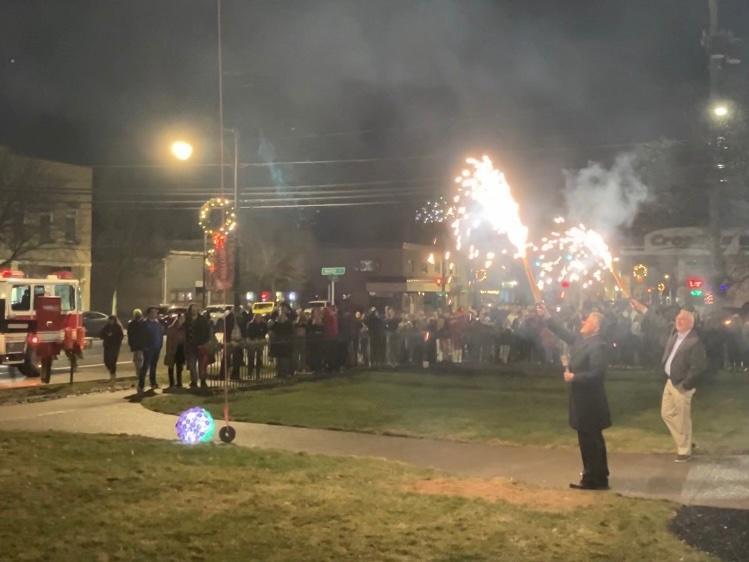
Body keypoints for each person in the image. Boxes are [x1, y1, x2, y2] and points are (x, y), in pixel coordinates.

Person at [539, 303, 611, 490]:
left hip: (590, 403)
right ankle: (596, 475)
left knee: (591, 441)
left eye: (588, 321)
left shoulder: (598, 346)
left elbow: (597, 374)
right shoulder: (583, 341)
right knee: (589, 439)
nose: (584, 321)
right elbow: (564, 332)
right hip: (582, 401)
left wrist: (574, 377)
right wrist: (547, 316)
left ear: (596, 327)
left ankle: (594, 478)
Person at [633, 301, 707, 462]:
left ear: (691, 324)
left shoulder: (695, 342)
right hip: (670, 381)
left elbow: (699, 367)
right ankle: (686, 441)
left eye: (683, 320)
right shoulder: (674, 333)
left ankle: (684, 450)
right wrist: (643, 308)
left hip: (681, 384)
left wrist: (685, 384)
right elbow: (657, 321)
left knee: (682, 417)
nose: (678, 321)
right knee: (666, 414)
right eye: (677, 318)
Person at [184, 304, 211, 389]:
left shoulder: (202, 320)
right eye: (192, 309)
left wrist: (204, 342)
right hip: (191, 346)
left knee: (202, 365)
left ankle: (203, 381)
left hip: (201, 346)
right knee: (192, 365)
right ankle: (194, 381)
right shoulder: (187, 320)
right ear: (190, 310)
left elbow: (207, 332)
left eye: (195, 309)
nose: (194, 311)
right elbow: (185, 332)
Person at [140, 307, 163, 392]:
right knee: (145, 366)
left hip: (156, 348)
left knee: (154, 366)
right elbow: (142, 336)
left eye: (156, 312)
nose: (155, 314)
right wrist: (144, 346)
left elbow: (160, 335)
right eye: (153, 312)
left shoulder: (157, 324)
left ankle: (153, 383)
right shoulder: (145, 324)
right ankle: (141, 385)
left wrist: (160, 345)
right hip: (148, 349)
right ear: (149, 313)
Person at [164, 313, 186, 388]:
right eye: (181, 318)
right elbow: (169, 341)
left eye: (183, 319)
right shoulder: (171, 328)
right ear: (178, 319)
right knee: (171, 366)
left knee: (179, 367)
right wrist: (169, 351)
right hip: (173, 348)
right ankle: (171, 383)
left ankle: (179, 382)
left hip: (181, 349)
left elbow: (184, 339)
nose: (183, 320)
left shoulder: (183, 328)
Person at [246, 313, 268, 379]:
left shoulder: (263, 324)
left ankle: (257, 374)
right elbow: (248, 333)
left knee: (259, 359)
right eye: (257, 317)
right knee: (251, 359)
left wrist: (262, 338)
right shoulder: (251, 324)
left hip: (259, 343)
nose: (259, 319)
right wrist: (253, 339)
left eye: (260, 317)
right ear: (255, 318)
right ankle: (250, 373)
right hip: (252, 343)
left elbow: (265, 333)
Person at [126, 309, 147, 380]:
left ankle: (140, 373)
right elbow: (129, 334)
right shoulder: (133, 323)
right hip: (137, 344)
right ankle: (139, 373)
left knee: (139, 359)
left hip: (140, 344)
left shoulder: (142, 323)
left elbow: (130, 334)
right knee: (137, 359)